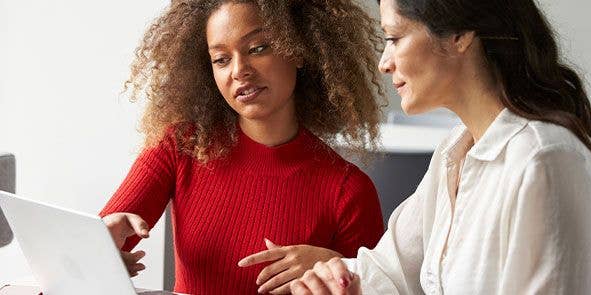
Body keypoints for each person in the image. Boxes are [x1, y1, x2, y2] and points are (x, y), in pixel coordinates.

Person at [290, 0, 591, 294]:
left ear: (460, 34)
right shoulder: (455, 152)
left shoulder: (544, 160)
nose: (384, 63)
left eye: (394, 38)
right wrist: (336, 279)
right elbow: (390, 272)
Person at [99, 0, 386, 294]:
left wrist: (338, 266)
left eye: (258, 48)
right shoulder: (182, 146)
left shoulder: (348, 191)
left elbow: (380, 288)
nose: (239, 71)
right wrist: (98, 257)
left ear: (298, 49)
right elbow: (70, 262)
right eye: (221, 59)